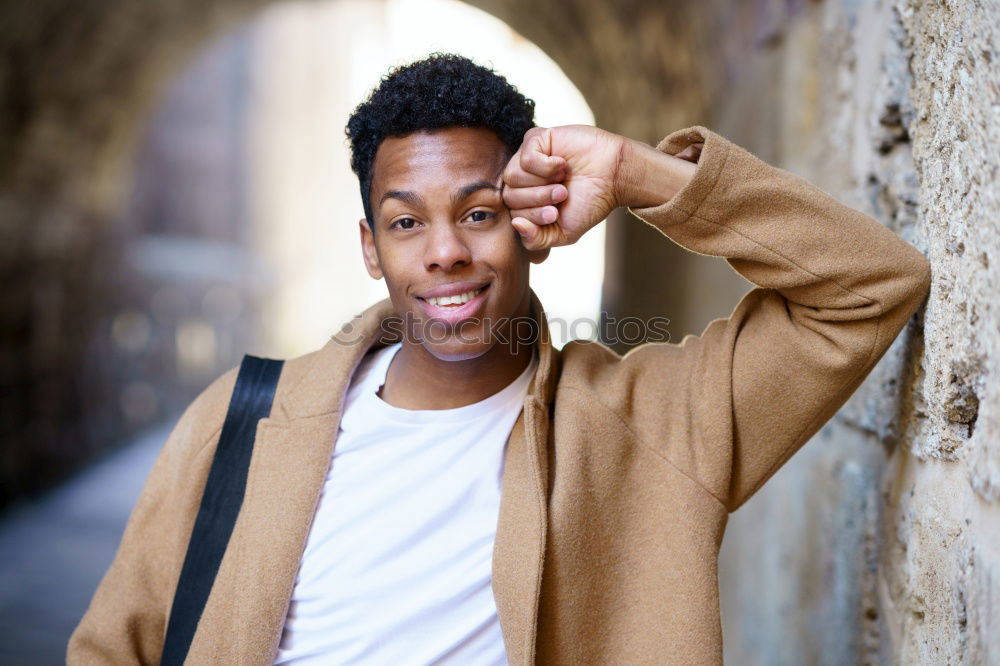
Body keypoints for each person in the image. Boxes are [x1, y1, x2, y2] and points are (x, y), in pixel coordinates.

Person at [68, 53, 931, 665]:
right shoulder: (246, 419)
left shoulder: (654, 426)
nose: (444, 252)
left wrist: (636, 173)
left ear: (531, 225)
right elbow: (116, 648)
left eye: (479, 213)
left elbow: (868, 286)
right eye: (407, 222)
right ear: (372, 248)